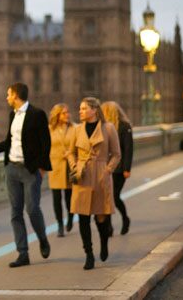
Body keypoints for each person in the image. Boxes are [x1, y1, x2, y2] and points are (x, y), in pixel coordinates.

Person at [0, 82, 51, 268]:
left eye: (9, 94)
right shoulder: (13, 115)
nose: (7, 97)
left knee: (32, 209)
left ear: (16, 95)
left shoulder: (37, 114)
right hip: (12, 169)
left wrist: (40, 167)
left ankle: (42, 238)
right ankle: (22, 253)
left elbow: (46, 144)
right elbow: (11, 141)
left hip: (29, 170)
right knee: (15, 213)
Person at [66, 97, 120, 270]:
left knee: (101, 216)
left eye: (83, 109)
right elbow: (70, 152)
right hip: (82, 175)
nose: (80, 111)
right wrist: (74, 166)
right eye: (80, 109)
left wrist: (108, 170)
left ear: (94, 110)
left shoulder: (108, 128)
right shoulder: (76, 129)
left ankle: (104, 243)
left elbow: (116, 154)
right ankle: (88, 254)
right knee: (82, 217)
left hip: (101, 175)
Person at [101, 101, 133, 235]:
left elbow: (128, 149)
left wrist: (127, 169)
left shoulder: (124, 127)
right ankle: (108, 227)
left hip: (119, 169)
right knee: (106, 198)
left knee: (114, 196)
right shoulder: (102, 127)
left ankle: (125, 218)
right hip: (105, 167)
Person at [47, 103, 75, 237]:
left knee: (69, 197)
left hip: (70, 166)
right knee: (56, 198)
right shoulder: (49, 130)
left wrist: (71, 152)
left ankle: (70, 218)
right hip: (55, 166)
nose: (67, 115)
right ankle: (59, 224)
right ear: (57, 115)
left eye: (68, 112)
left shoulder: (74, 128)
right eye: (64, 113)